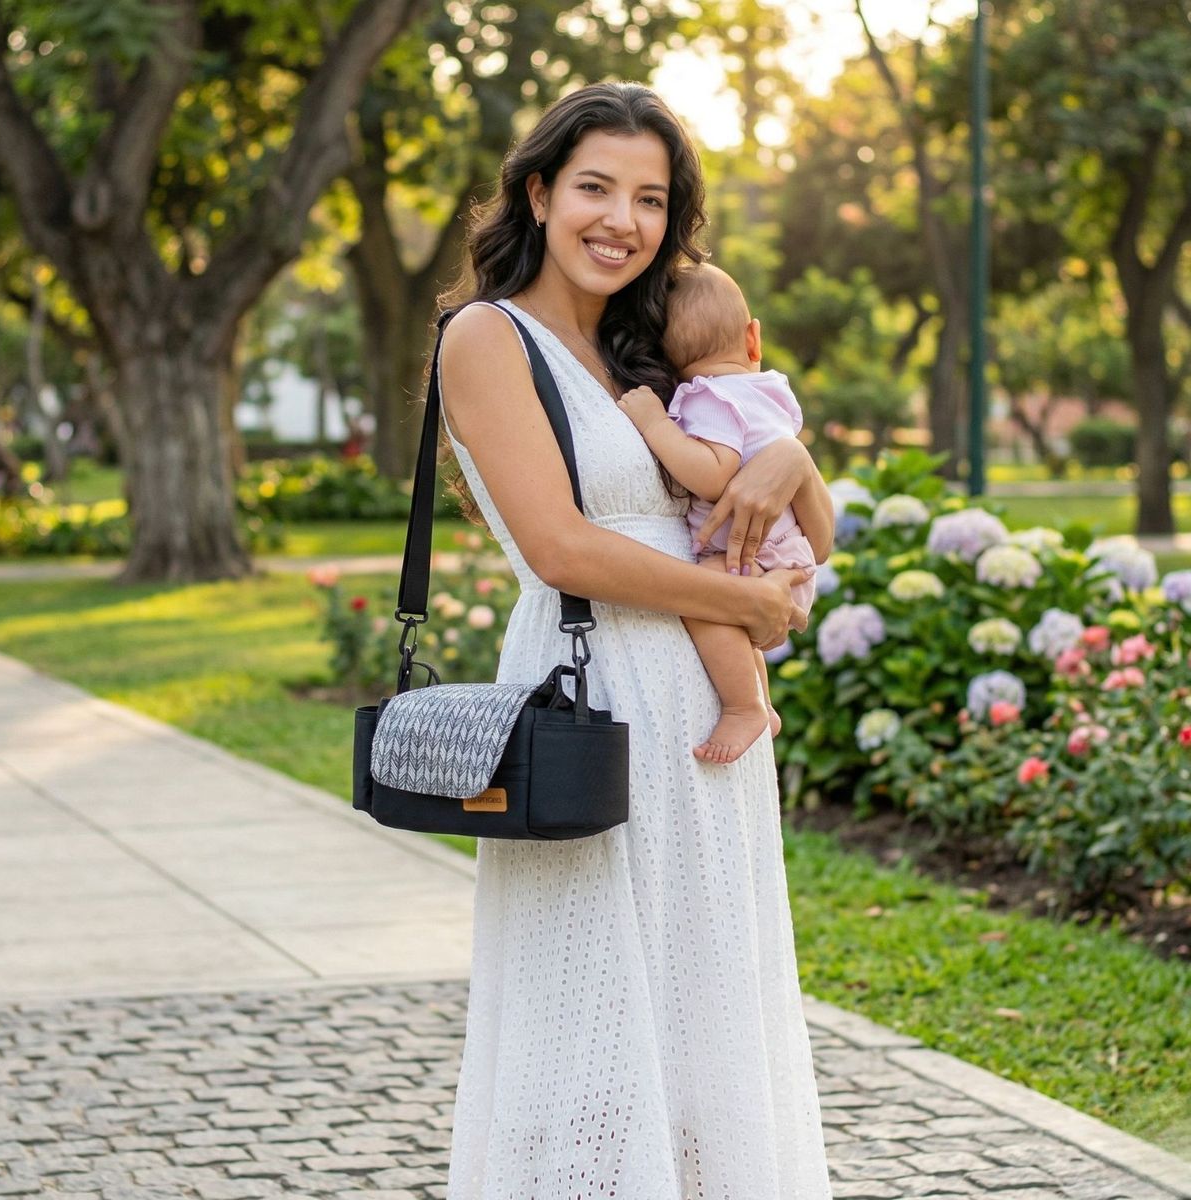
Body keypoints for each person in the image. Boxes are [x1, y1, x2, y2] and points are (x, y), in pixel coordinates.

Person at [434, 81, 835, 1198]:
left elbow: (787, 510)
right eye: (596, 188)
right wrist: (747, 611)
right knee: (588, 994)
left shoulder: (643, 342)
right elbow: (561, 547)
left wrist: (792, 464)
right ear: (538, 191)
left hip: (701, 708)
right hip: (590, 688)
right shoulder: (487, 337)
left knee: (705, 995)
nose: (622, 219)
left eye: (650, 198)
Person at [616, 262, 830, 765]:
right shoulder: (771, 391)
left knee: (705, 595)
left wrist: (655, 423)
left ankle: (743, 706)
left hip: (754, 557)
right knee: (727, 615)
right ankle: (763, 703)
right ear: (753, 338)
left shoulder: (708, 398)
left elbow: (712, 474)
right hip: (787, 556)